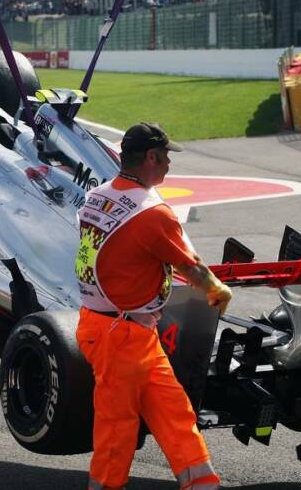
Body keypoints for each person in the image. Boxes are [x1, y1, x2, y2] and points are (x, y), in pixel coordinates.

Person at [74, 123, 233, 490]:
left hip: (123, 329)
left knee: (174, 410)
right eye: (165, 157)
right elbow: (189, 265)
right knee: (117, 429)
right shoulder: (152, 213)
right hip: (120, 334)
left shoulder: (95, 196)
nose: (168, 165)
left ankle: (202, 483)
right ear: (150, 157)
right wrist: (217, 289)